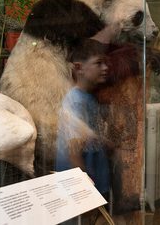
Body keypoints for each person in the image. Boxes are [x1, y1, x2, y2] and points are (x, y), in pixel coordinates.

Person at [56, 38, 111, 200]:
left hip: (93, 184)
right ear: (79, 68)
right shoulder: (74, 101)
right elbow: (74, 149)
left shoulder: (87, 98)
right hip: (81, 191)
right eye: (99, 63)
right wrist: (85, 190)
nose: (105, 68)